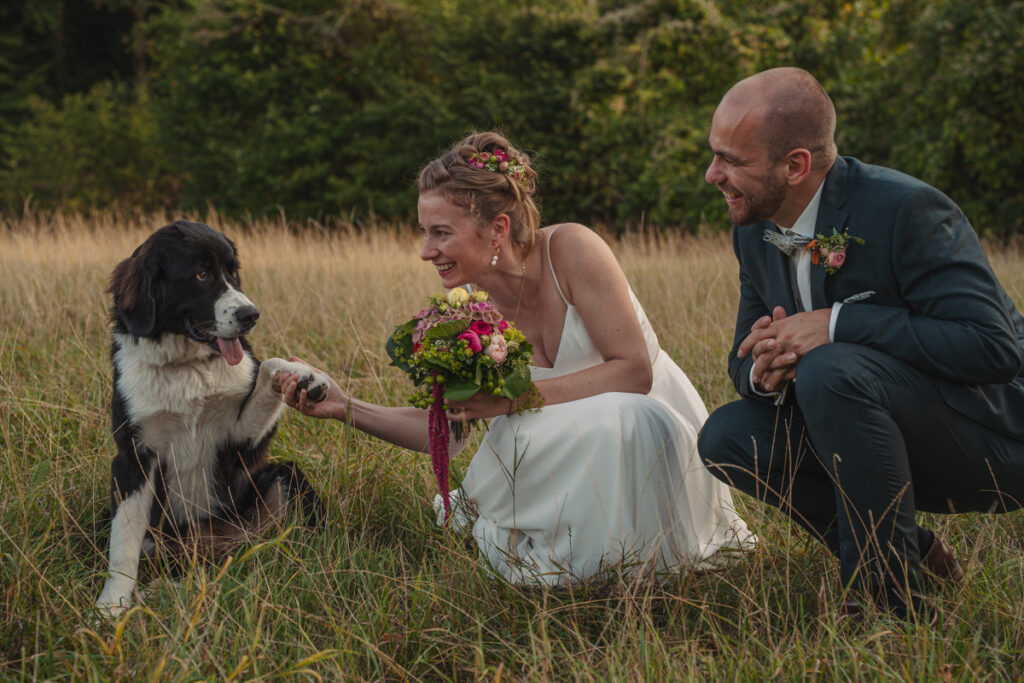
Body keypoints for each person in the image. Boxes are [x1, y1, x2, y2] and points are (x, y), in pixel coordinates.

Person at [276, 130, 755, 585]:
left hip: (648, 428)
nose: (426, 251)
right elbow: (449, 430)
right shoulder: (467, 314)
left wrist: (509, 401)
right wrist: (346, 407)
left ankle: (628, 558)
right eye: (423, 233)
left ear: (498, 228)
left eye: (441, 232)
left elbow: (633, 371)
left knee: (626, 414)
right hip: (560, 449)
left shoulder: (571, 249)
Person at [697, 66, 1024, 619]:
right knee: (726, 436)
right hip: (866, 436)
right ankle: (914, 553)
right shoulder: (753, 228)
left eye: (732, 160)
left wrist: (836, 324)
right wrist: (762, 368)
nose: (712, 174)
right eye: (714, 154)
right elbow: (741, 356)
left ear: (796, 165)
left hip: (991, 439)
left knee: (831, 369)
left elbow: (994, 348)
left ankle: (888, 604)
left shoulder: (906, 210)